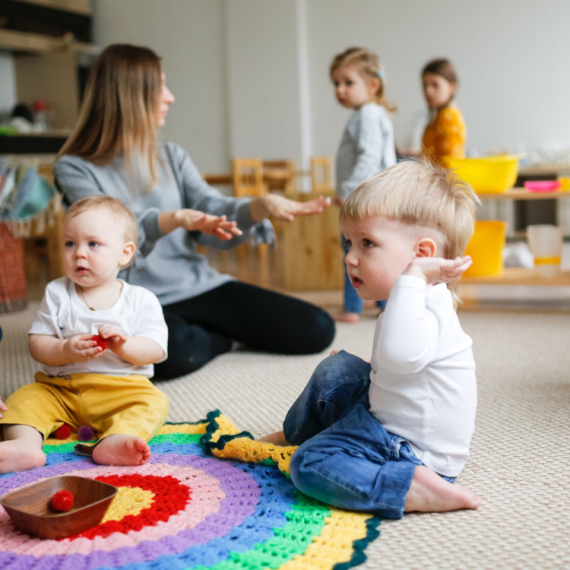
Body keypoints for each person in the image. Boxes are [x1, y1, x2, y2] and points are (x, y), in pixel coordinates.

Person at [53, 44, 335, 381]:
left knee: (316, 328)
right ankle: (219, 337)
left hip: (195, 285)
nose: (169, 97)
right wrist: (172, 219)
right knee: (169, 358)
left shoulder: (171, 156)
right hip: (130, 297)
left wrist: (259, 206)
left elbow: (211, 210)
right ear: (129, 96)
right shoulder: (74, 168)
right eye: (160, 87)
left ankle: (207, 330)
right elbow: (111, 234)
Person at [262, 160, 481, 519]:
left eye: (367, 243)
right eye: (349, 243)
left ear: (421, 256)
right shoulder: (417, 298)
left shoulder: (424, 302)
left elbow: (397, 357)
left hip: (411, 450)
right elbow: (397, 369)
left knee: (309, 464)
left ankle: (408, 486)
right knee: (338, 371)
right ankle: (294, 432)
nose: (350, 258)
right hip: (396, 417)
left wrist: (411, 279)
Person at [0, 196, 169, 474]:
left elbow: (156, 349)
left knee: (153, 402)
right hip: (62, 388)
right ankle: (24, 445)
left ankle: (114, 440)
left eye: (93, 244)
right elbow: (37, 344)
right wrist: (64, 350)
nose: (79, 253)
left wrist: (125, 346)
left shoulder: (141, 299)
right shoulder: (57, 292)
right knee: (22, 398)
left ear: (124, 253)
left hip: (121, 389)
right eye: (70, 243)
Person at [330, 47, 397, 323]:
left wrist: (348, 191)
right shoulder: (370, 112)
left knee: (354, 249)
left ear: (372, 85)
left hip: (366, 195)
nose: (340, 89)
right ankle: (382, 301)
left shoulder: (367, 114)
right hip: (376, 195)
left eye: (348, 82)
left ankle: (351, 307)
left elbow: (369, 155)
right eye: (336, 83)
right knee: (373, 247)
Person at [421, 58, 466, 166]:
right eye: (425, 85)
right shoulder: (439, 116)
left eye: (435, 85)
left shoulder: (448, 117)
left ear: (452, 87)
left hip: (442, 182)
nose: (428, 91)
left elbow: (449, 164)